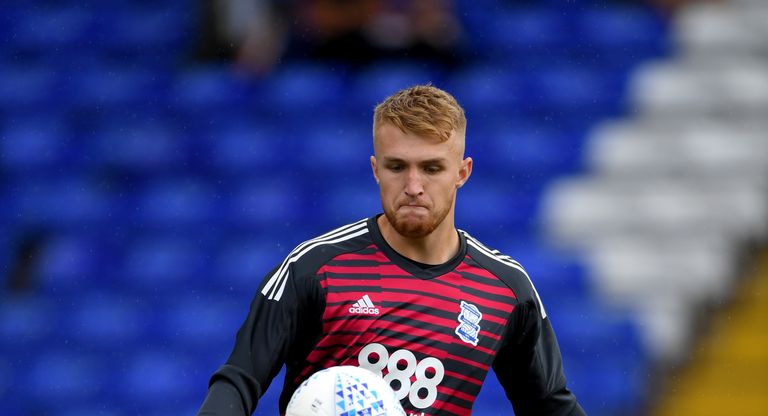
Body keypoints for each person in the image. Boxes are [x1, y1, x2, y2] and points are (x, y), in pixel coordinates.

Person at [197, 85, 585, 415]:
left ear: (462, 173)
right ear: (375, 169)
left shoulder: (506, 290)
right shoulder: (315, 268)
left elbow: (550, 405)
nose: (413, 185)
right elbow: (239, 379)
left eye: (432, 168)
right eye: (397, 166)